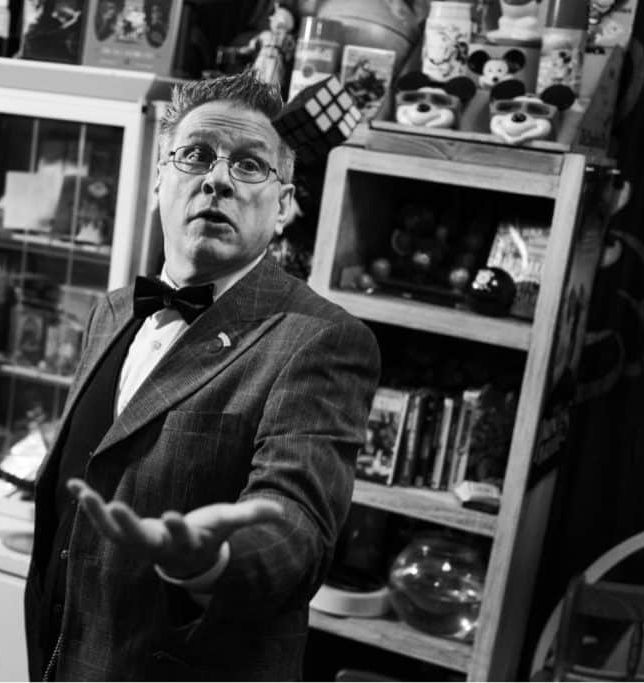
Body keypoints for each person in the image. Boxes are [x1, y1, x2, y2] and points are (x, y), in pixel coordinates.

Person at [24, 71, 381, 681]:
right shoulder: (111, 313)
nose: (217, 179)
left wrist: (212, 561)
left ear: (284, 205)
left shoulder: (319, 339)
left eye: (249, 165)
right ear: (159, 178)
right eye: (195, 155)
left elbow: (296, 526)